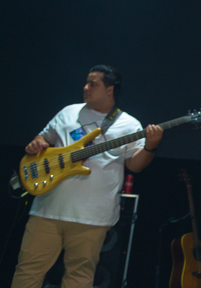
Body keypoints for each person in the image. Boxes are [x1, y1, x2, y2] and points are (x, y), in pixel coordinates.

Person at [12, 65, 163, 288]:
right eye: (86, 83)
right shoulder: (68, 112)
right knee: (28, 270)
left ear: (109, 89)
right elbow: (43, 138)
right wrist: (37, 144)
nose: (85, 88)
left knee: (80, 276)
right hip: (47, 209)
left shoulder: (129, 125)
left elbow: (135, 165)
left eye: (93, 84)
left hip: (92, 216)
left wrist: (150, 146)